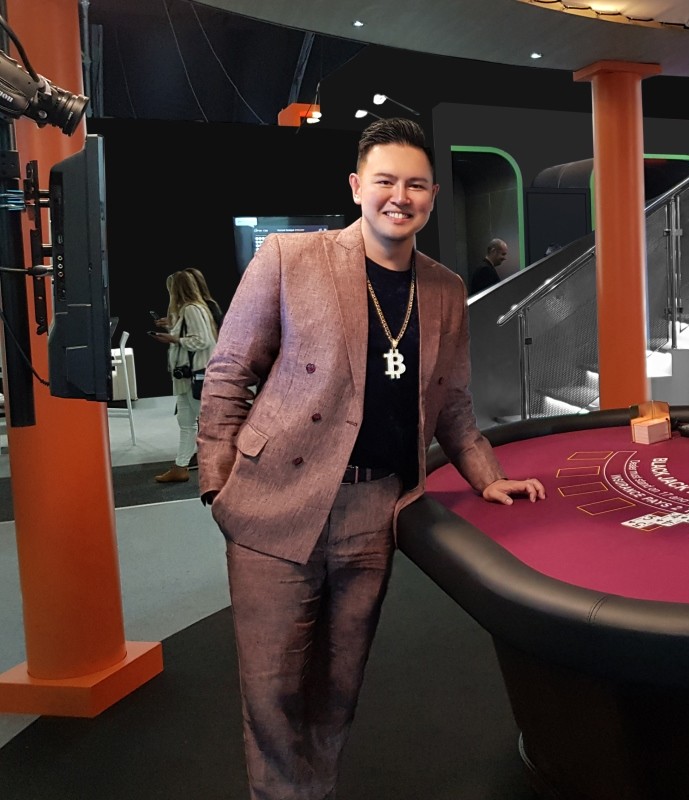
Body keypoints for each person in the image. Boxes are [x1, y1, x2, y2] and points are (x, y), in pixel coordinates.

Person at [196, 117, 545, 800]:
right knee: (271, 689)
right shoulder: (290, 258)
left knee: (340, 683)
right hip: (275, 501)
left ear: (433, 196)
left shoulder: (444, 289)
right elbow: (229, 371)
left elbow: (453, 403)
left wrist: (488, 477)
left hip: (374, 509)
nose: (400, 196)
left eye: (416, 184)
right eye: (386, 180)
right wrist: (219, 484)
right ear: (357, 186)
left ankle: (318, 790)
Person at [148, 270, 217, 483]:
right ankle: (181, 466)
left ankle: (222, 466)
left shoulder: (191, 309)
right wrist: (172, 327)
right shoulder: (194, 308)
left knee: (204, 422)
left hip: (193, 375)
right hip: (187, 377)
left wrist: (173, 339)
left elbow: (202, 340)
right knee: (186, 421)